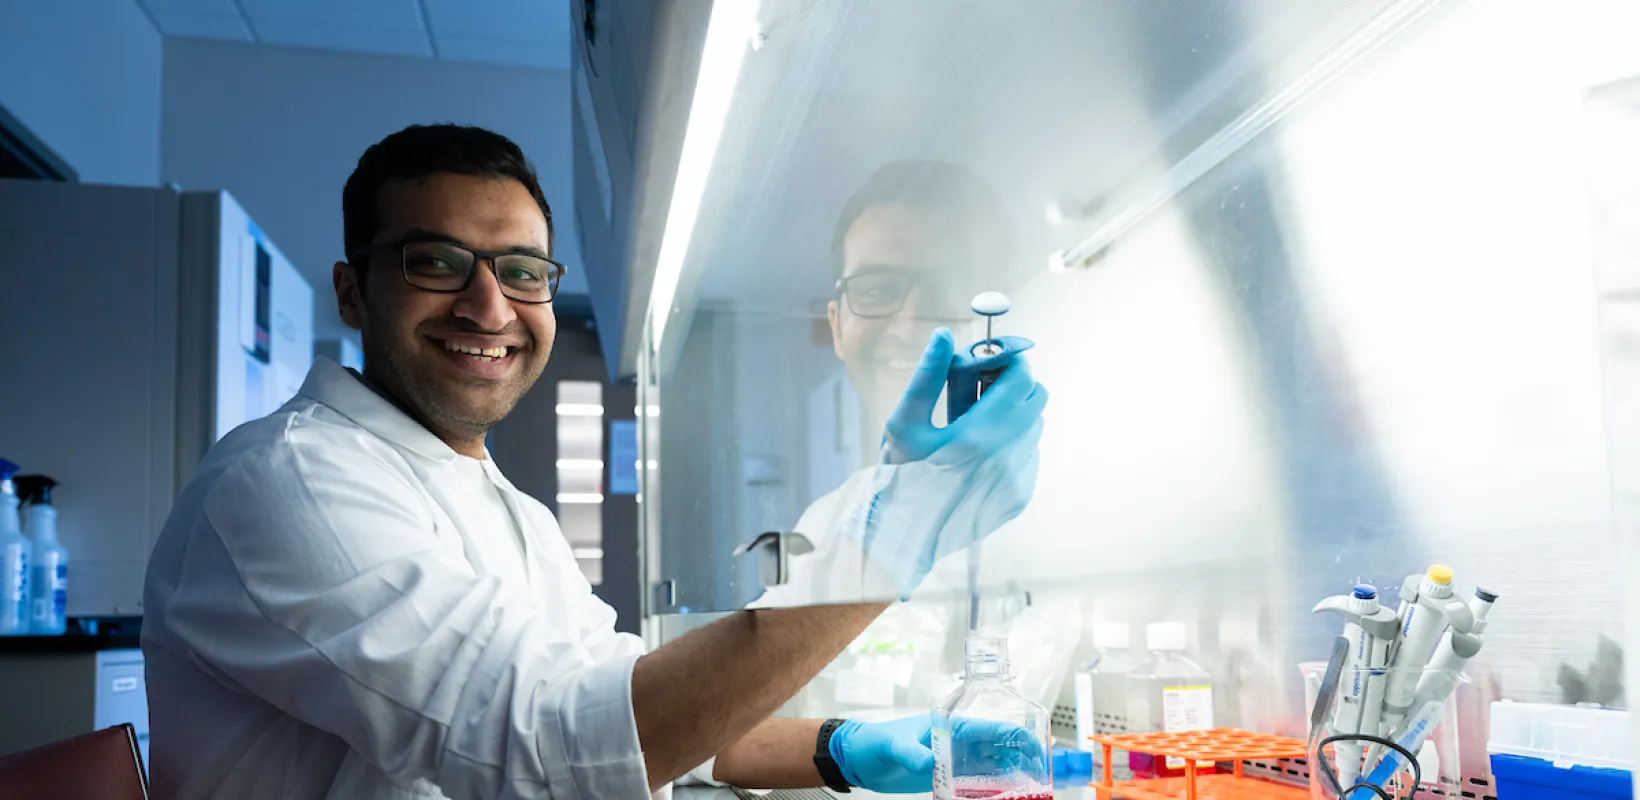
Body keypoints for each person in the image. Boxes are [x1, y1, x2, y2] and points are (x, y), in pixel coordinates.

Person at [140, 125, 1047, 799]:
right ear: (352, 290)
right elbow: (555, 747)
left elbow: (643, 718)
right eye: (439, 262)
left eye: (524, 271)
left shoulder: (504, 510)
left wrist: (838, 746)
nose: (489, 307)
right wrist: (891, 536)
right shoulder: (288, 485)